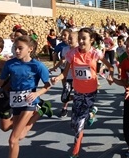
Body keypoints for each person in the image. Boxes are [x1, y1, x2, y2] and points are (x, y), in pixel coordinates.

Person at [50, 28, 114, 158]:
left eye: (84, 38)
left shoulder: (95, 53)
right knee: (74, 123)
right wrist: (57, 78)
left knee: (79, 124)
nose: (80, 41)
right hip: (78, 91)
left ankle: (75, 152)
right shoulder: (72, 54)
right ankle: (92, 112)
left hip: (90, 91)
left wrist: (111, 75)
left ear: (91, 40)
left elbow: (110, 66)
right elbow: (65, 72)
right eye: (79, 38)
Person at [0, 35, 52, 158]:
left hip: (29, 101)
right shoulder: (10, 64)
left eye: (20, 48)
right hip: (16, 102)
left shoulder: (38, 66)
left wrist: (36, 94)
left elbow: (47, 85)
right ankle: (40, 111)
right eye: (15, 48)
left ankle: (37, 108)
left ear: (30, 49)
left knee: (13, 140)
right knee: (19, 136)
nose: (17, 51)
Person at [49, 31, 78, 118]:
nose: (68, 40)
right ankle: (66, 106)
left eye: (70, 39)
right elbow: (63, 60)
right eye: (68, 38)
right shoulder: (65, 49)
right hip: (68, 75)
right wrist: (55, 70)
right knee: (64, 97)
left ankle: (77, 104)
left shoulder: (81, 50)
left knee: (80, 95)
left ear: (77, 40)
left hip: (78, 79)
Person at [0, 35, 12, 132]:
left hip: (3, 98)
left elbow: (13, 76)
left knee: (5, 128)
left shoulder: (1, 62)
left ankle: (25, 118)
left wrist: (0, 90)